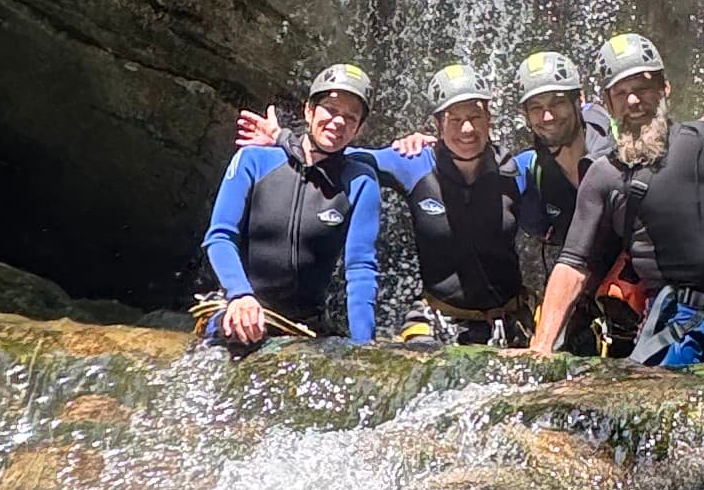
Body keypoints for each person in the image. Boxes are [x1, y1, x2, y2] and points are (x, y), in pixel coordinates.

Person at [528, 32, 704, 363]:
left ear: (664, 88)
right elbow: (572, 263)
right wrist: (541, 347)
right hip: (674, 326)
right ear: (609, 104)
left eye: (642, 88)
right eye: (620, 93)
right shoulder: (604, 174)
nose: (632, 101)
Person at [198, 65, 386, 348]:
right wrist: (239, 294)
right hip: (240, 308)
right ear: (309, 111)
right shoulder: (254, 160)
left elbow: (360, 269)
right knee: (238, 338)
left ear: (359, 129)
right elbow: (220, 237)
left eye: (351, 117)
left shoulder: (360, 182)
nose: (338, 122)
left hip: (304, 324)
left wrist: (364, 346)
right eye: (331, 110)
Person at [384, 60, 540, 344]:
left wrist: (593, 117)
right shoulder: (414, 164)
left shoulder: (517, 169)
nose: (467, 129)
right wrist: (283, 140)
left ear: (489, 118)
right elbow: (350, 156)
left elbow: (573, 152)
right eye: (455, 119)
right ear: (437, 124)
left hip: (507, 319)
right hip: (439, 318)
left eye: (476, 117)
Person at [510, 47, 642, 356]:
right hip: (585, 290)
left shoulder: (621, 145)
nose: (548, 116)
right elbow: (476, 168)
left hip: (641, 285)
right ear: (526, 117)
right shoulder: (535, 168)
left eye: (557, 102)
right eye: (536, 107)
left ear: (578, 100)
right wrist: (430, 148)